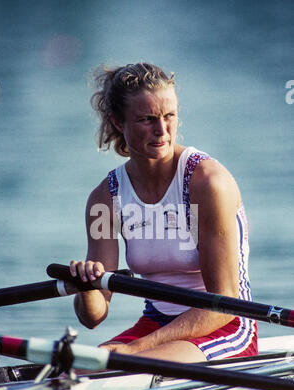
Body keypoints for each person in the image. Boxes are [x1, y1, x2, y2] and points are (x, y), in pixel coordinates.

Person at [70, 62, 258, 363]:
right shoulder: (104, 199)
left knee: (130, 366)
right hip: (156, 324)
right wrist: (86, 286)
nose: (162, 131)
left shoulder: (208, 182)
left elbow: (225, 301)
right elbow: (93, 317)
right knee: (77, 371)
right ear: (119, 122)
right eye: (147, 119)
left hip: (225, 324)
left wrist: (135, 349)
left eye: (169, 116)